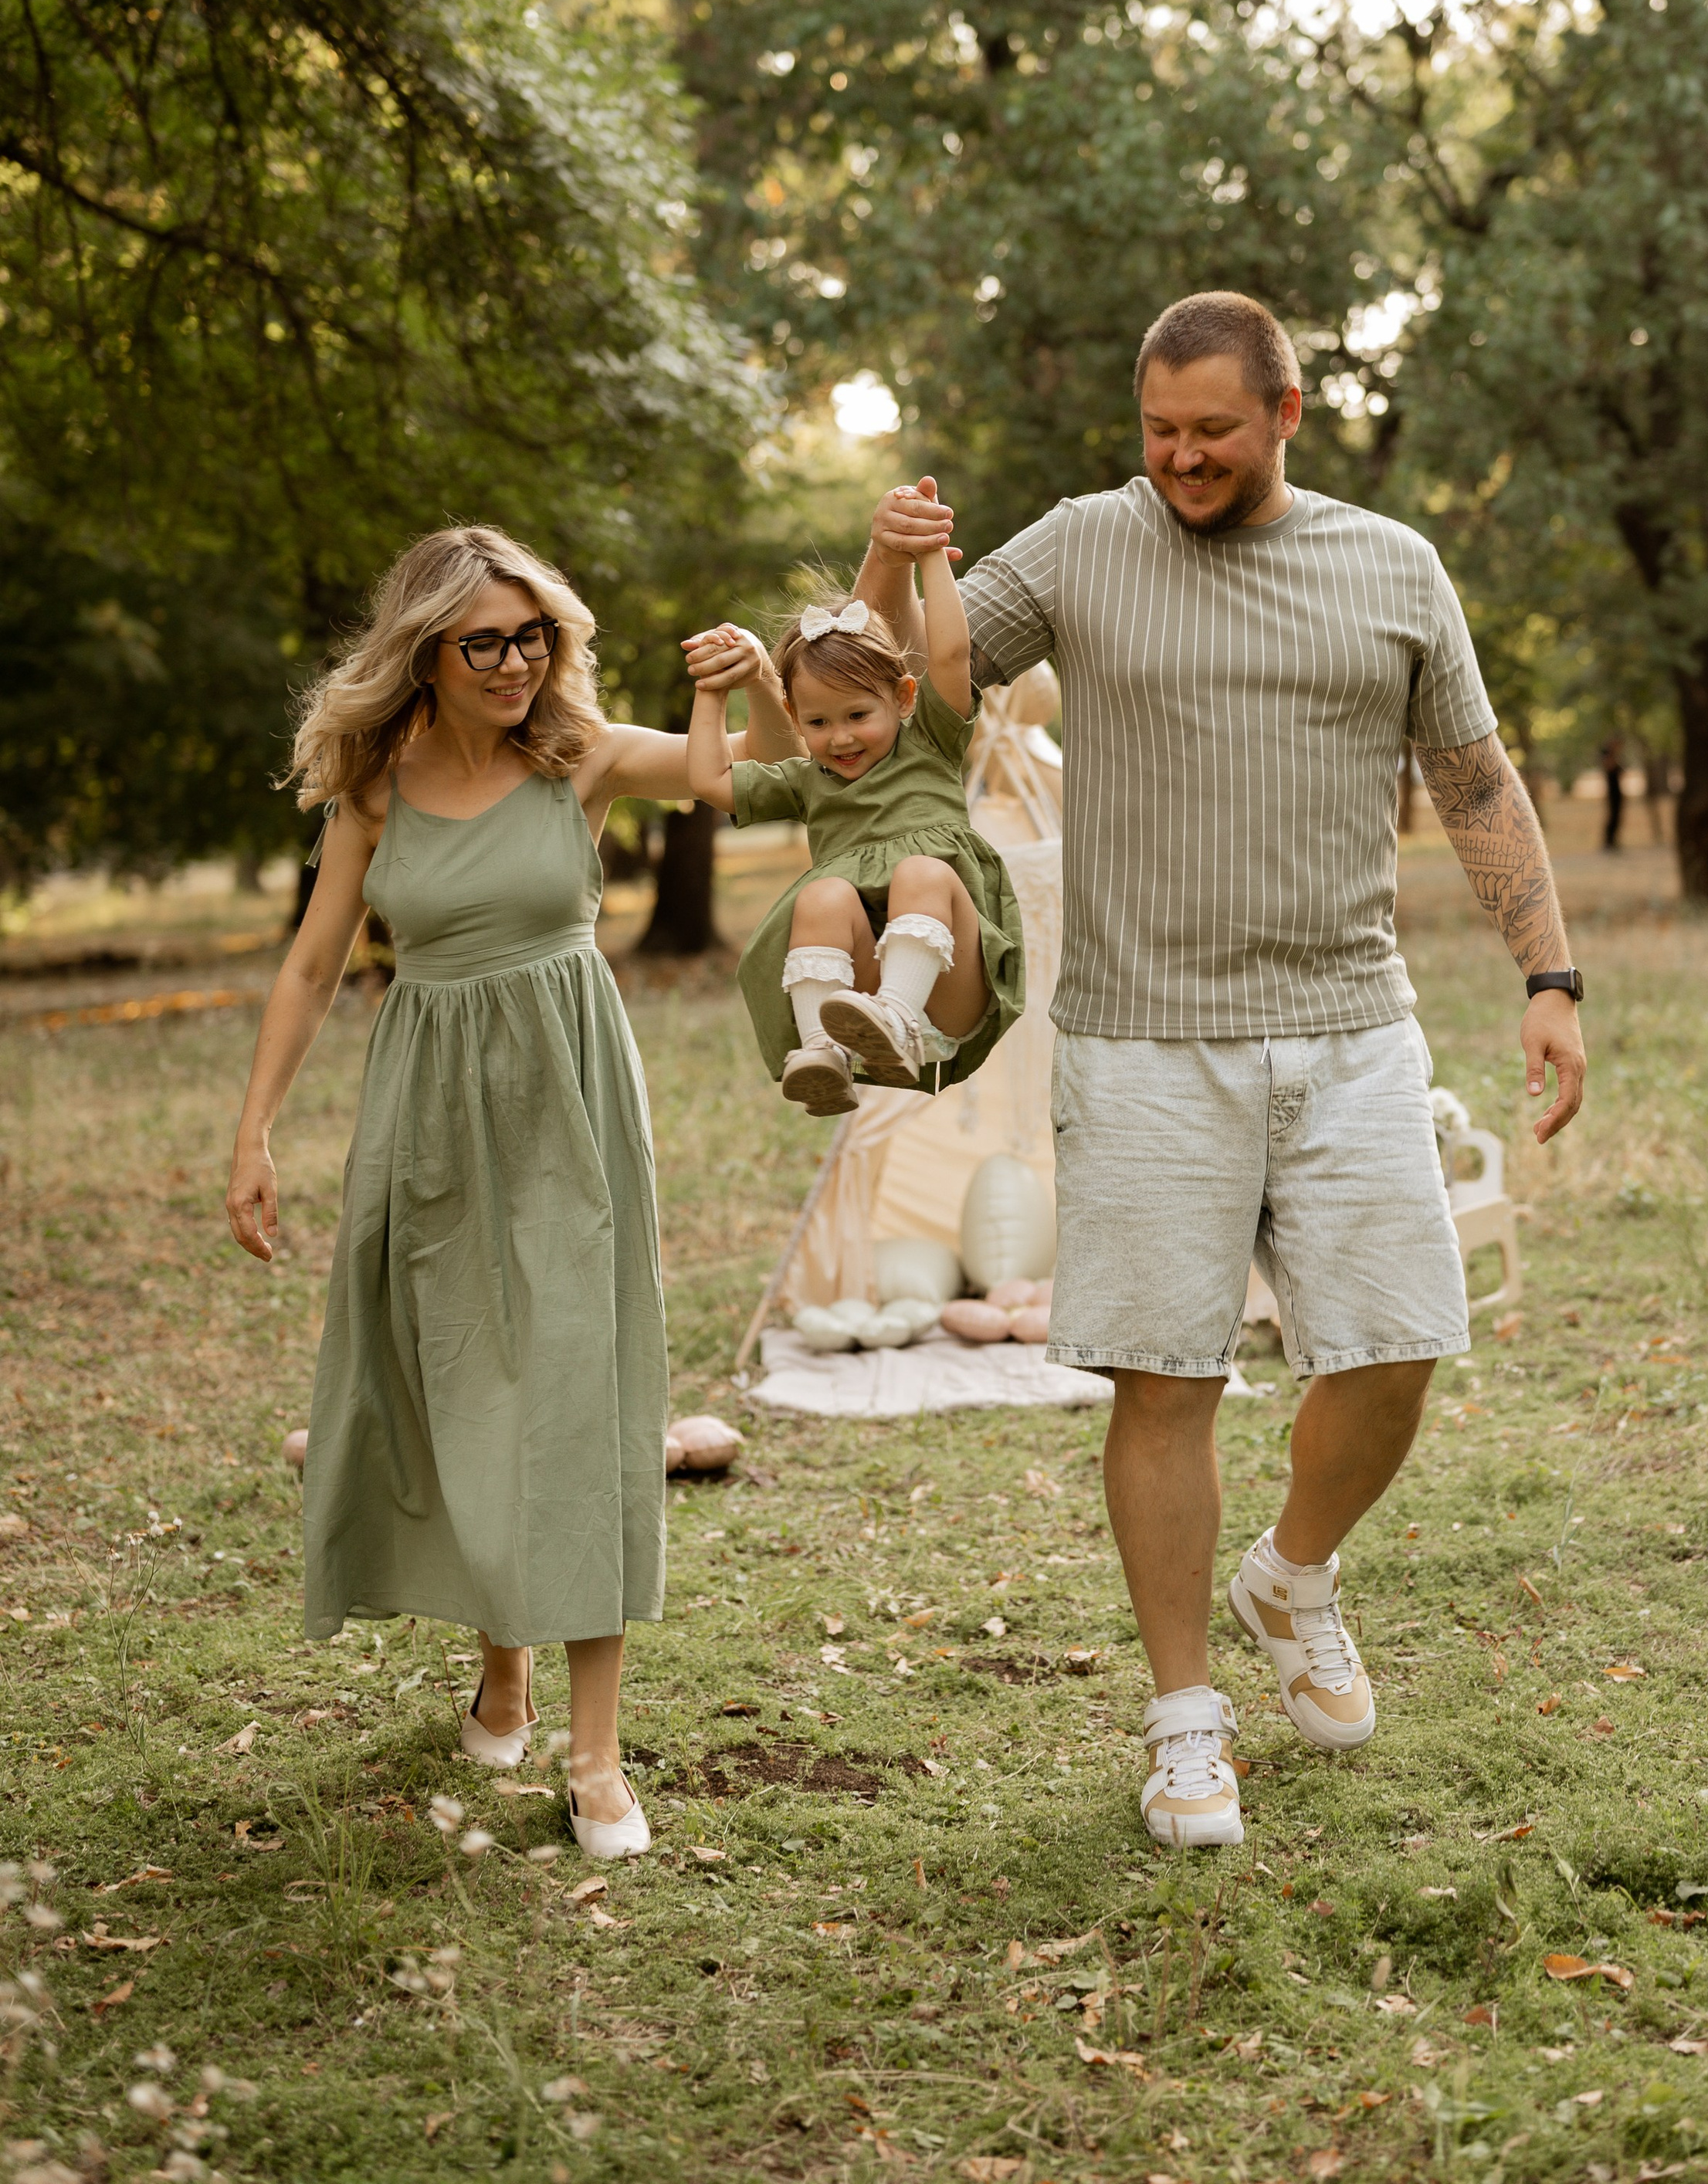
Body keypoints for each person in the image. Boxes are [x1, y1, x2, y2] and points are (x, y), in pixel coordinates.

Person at [857, 292, 1586, 1851]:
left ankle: (1293, 1575)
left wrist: (1548, 974)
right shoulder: (1082, 544)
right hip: (1142, 1036)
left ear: (1286, 414)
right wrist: (893, 559)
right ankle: (1184, 1719)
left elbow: (1473, 780)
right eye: (1158, 431)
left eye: (1211, 430)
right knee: (1166, 1377)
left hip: (1351, 1021)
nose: (1180, 457)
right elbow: (919, 685)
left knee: (1398, 1343)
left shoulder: (1392, 566)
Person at [223, 525, 796, 1862]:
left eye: (532, 635)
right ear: (425, 650)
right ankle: (504, 1665)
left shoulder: (578, 754)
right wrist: (254, 1131)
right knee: (466, 1387)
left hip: (568, 1107)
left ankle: (596, 1755)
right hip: (428, 1117)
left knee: (579, 1397)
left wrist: (756, 682)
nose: (514, 662)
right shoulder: (376, 788)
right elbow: (312, 965)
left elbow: (758, 777)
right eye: (483, 641)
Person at [683, 535, 1023, 1116]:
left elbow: (950, 656)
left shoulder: (930, 743)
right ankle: (825, 1050)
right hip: (865, 985)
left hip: (949, 987)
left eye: (858, 715)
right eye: (818, 722)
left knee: (921, 873)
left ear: (904, 697)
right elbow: (710, 780)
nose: (840, 737)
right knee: (821, 897)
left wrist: (930, 556)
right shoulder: (807, 780)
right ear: (794, 717)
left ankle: (897, 1018)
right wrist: (711, 690)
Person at [1601, 734, 1626, 851]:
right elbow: (1609, 767)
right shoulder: (1607, 753)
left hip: (1617, 789)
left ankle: (1613, 841)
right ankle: (1608, 841)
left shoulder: (1614, 755)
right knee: (1613, 815)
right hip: (1612, 790)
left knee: (1617, 816)